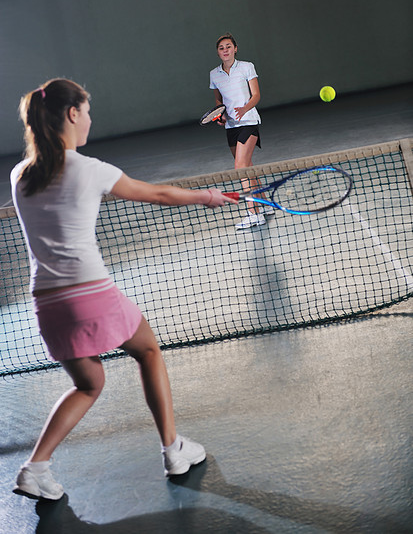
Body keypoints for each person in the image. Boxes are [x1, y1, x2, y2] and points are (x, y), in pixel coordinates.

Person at [10, 78, 235, 501]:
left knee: (90, 383)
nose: (90, 119)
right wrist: (208, 197)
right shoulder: (90, 169)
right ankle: (173, 450)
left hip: (46, 303)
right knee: (148, 350)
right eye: (87, 111)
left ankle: (35, 468)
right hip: (90, 292)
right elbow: (158, 193)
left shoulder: (19, 174)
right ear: (72, 114)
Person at [209, 33, 274, 229]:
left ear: (235, 49)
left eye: (228, 46)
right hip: (231, 126)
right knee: (248, 166)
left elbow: (256, 95)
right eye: (221, 48)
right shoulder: (214, 74)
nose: (225, 50)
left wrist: (245, 109)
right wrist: (220, 115)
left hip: (249, 121)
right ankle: (265, 205)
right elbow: (218, 101)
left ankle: (254, 214)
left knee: (240, 167)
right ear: (218, 52)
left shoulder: (247, 67)